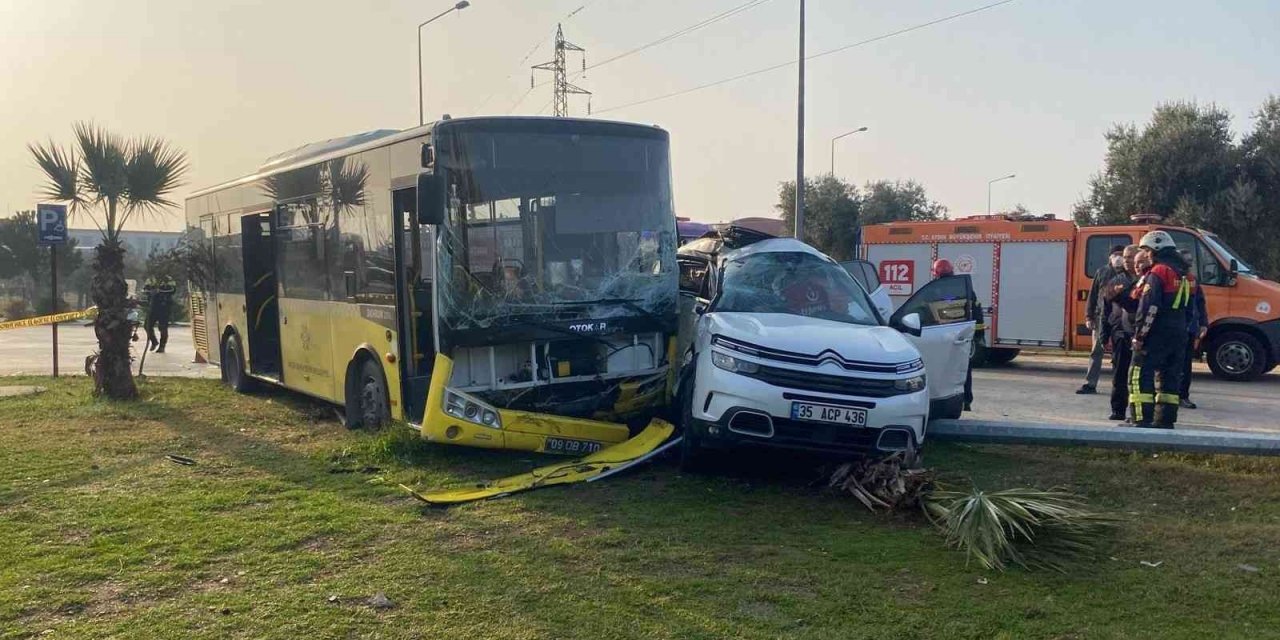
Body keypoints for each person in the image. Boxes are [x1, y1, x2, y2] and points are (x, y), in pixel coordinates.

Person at [1130, 231, 1192, 428]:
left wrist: (1140, 335)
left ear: (1155, 250)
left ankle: (1141, 420)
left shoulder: (1158, 272)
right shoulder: (1184, 274)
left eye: (1147, 250)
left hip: (1157, 333)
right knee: (1169, 379)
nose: (1146, 255)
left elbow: (1150, 307)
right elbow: (1190, 308)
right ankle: (1165, 420)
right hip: (1179, 333)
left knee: (1139, 374)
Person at [931, 259, 984, 411]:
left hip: (941, 336)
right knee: (963, 368)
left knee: (942, 369)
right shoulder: (964, 289)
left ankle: (941, 400)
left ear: (936, 274)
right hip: (962, 335)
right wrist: (978, 334)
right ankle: (966, 400)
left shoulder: (934, 290)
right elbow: (977, 310)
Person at [1077, 244, 1129, 394]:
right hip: (1100, 318)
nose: (1118, 258)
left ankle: (1119, 385)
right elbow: (1093, 295)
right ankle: (1090, 384)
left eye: (1121, 255)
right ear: (1110, 257)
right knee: (1096, 351)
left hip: (1120, 320)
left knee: (1119, 354)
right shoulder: (1102, 272)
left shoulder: (1129, 274)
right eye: (1115, 255)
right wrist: (1089, 316)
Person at [1103, 246, 1141, 421]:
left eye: (1130, 257)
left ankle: (1137, 412)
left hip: (1139, 334)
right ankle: (1118, 410)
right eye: (1125, 257)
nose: (1126, 260)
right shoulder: (1116, 279)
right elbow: (1105, 307)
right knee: (1119, 374)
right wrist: (1105, 333)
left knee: (1138, 376)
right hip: (1120, 333)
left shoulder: (1145, 280)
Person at [1178, 251, 1209, 409]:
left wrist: (1203, 323)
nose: (1188, 265)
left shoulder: (1192, 280)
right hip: (1173, 329)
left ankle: (1183, 396)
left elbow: (1200, 303)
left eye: (1190, 262)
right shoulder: (1169, 277)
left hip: (1189, 329)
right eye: (1186, 262)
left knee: (1185, 365)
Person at [142, 274, 177, 353]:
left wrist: (159, 291)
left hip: (164, 307)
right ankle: (154, 341)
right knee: (147, 325)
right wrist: (150, 291)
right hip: (153, 306)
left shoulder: (168, 278)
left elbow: (173, 290)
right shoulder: (151, 278)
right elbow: (145, 289)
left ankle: (162, 346)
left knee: (163, 327)